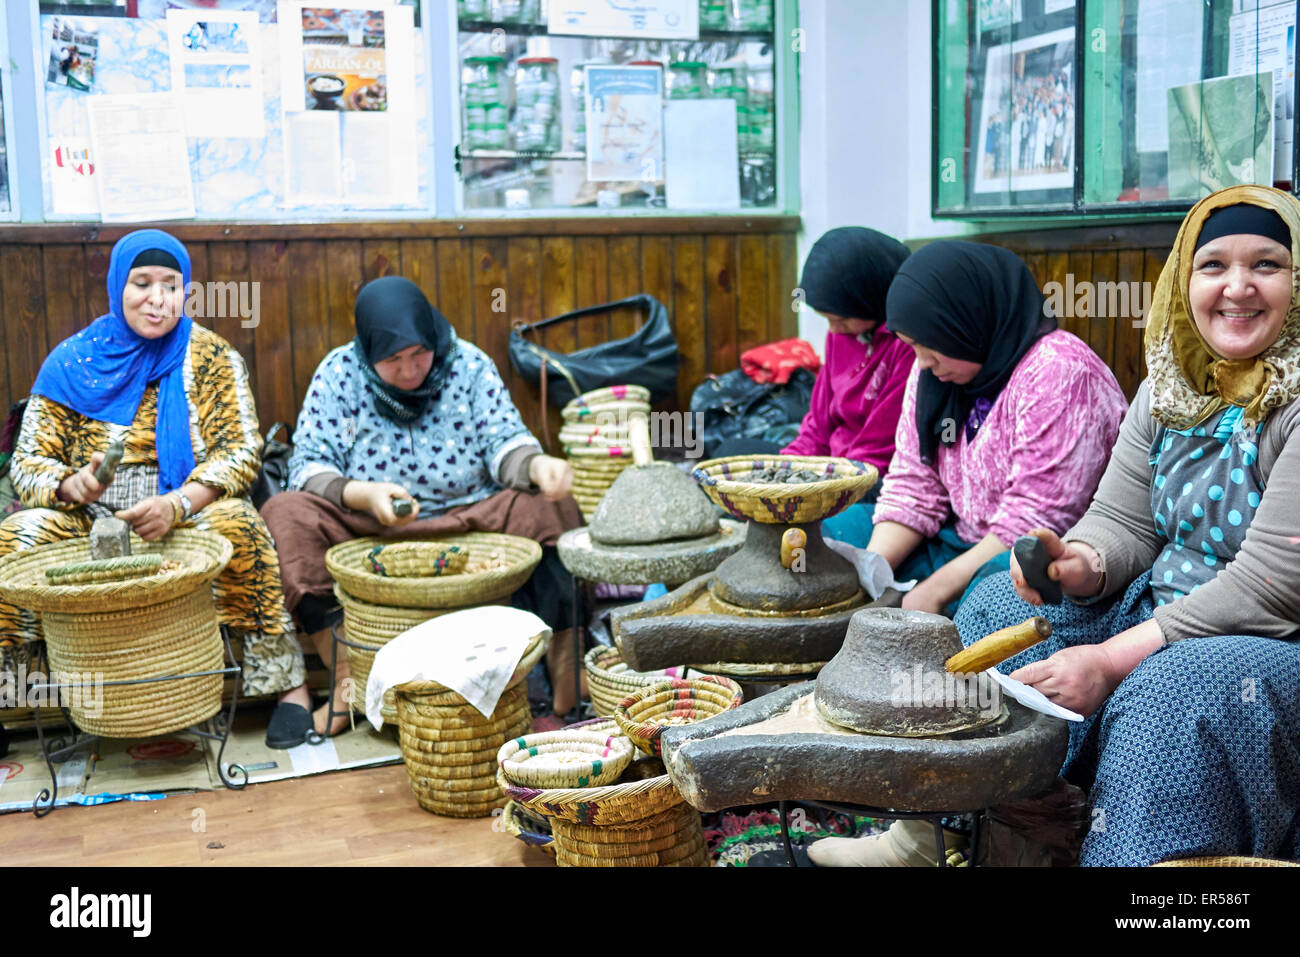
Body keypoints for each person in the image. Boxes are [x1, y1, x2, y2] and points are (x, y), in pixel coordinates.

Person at [952, 185, 1300, 866]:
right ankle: (1028, 823)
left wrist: (1111, 661)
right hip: (1163, 613)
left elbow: (1271, 587)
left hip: (1266, 639)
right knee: (995, 605)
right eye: (1213, 266)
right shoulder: (1173, 385)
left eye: (1267, 265)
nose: (1238, 287)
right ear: (1185, 279)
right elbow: (1122, 519)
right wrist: (1075, 562)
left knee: (1172, 687)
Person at [0, 229, 311, 749]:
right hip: (86, 517)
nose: (157, 298)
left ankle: (287, 689)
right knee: (18, 539)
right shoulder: (73, 361)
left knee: (238, 526)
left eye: (170, 285)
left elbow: (240, 450)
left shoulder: (210, 356)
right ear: (118, 286)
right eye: (141, 283)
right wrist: (69, 484)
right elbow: (28, 461)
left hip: (182, 508)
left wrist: (178, 502)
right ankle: (14, 701)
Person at [260, 276, 582, 734]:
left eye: (420, 354)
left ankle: (566, 672)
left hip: (471, 516)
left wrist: (537, 466)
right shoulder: (339, 374)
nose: (411, 371)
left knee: (554, 509)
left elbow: (503, 441)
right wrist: (365, 494)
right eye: (393, 360)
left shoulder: (467, 364)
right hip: (372, 525)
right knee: (286, 514)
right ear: (368, 353)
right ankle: (347, 676)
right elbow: (310, 465)